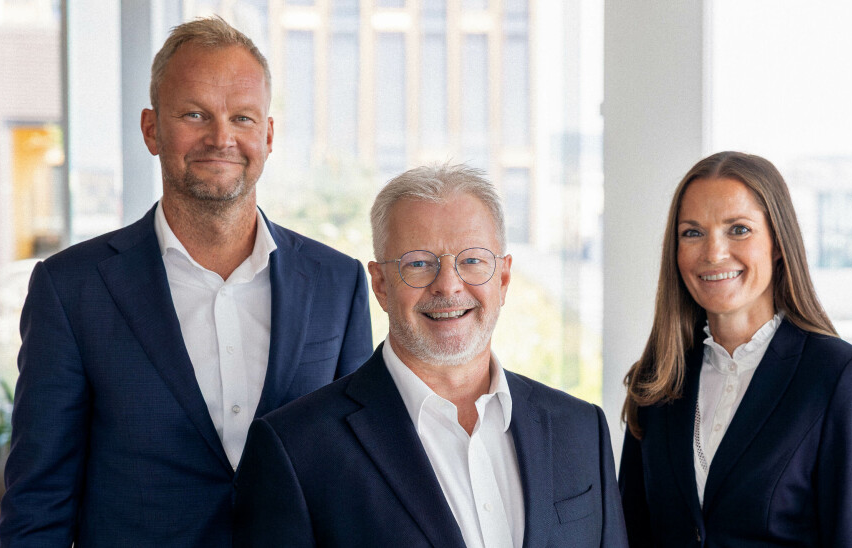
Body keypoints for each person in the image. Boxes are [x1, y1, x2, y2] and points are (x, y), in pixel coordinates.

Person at [0, 17, 372, 547]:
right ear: (152, 129)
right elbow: (38, 504)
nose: (221, 138)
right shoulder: (71, 290)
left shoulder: (339, 283)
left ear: (267, 136)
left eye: (241, 117)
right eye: (194, 114)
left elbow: (357, 484)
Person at [232, 163, 628, 547]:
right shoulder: (297, 449)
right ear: (382, 284)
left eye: (472, 260)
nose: (449, 285)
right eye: (419, 264)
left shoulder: (581, 429)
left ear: (503, 279)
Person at [618, 151, 852, 547]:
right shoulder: (657, 378)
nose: (713, 253)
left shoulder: (843, 379)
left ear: (778, 243)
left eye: (739, 229)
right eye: (692, 232)